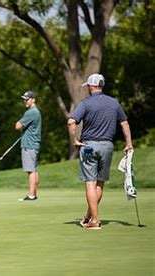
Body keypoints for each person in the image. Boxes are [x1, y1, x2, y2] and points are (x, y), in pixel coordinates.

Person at [67, 73, 133, 230]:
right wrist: (129, 143)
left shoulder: (86, 103)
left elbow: (71, 121)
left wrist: (75, 141)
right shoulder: (114, 103)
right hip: (107, 147)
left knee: (90, 182)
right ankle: (89, 216)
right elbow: (124, 124)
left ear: (90, 87)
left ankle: (95, 220)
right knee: (99, 183)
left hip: (89, 146)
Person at [15, 91, 42, 201]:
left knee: (30, 170)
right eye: (24, 99)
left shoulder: (31, 112)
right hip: (33, 144)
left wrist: (20, 125)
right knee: (34, 170)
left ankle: (31, 195)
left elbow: (17, 126)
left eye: (27, 99)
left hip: (29, 144)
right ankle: (34, 193)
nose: (25, 101)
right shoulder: (35, 112)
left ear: (33, 100)